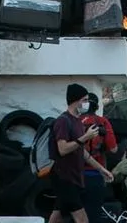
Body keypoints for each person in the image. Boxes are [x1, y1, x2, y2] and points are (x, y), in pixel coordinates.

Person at [47, 83, 112, 223]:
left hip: (75, 177)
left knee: (56, 218)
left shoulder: (77, 122)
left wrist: (101, 169)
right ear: (76, 101)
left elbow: (82, 152)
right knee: (82, 219)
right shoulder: (63, 121)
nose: (87, 104)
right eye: (85, 100)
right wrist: (85, 138)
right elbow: (62, 149)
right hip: (64, 177)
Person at [80, 92, 117, 223]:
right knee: (93, 214)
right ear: (97, 107)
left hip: (74, 175)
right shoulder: (102, 122)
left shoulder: (73, 121)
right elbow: (113, 149)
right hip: (95, 174)